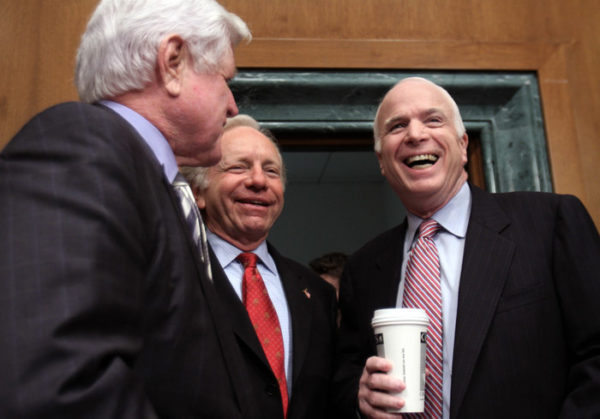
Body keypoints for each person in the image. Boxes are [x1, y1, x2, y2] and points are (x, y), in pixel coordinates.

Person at [0, 1, 256, 418]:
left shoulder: (154, 182)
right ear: (172, 63)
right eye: (226, 81)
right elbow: (55, 384)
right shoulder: (82, 144)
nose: (233, 107)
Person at [332, 77, 600, 418]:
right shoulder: (364, 268)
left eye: (433, 120)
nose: (415, 134)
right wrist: (360, 399)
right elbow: (344, 377)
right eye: (397, 126)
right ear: (382, 161)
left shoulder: (550, 223)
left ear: (462, 145)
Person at [181, 114, 337, 419]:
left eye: (271, 171)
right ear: (198, 192)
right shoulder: (175, 278)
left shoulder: (317, 294)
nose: (258, 180)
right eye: (238, 166)